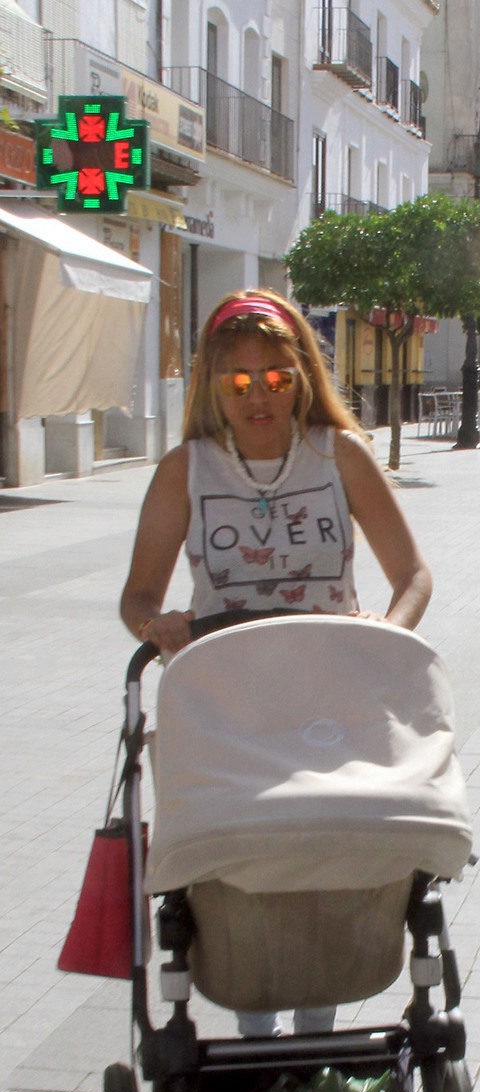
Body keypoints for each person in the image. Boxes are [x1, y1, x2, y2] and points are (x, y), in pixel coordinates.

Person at [120, 287, 432, 1037]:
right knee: (245, 863)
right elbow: (138, 594)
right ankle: (254, 1040)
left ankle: (315, 1039)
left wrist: (385, 634)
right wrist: (157, 625)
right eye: (238, 380)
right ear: (212, 386)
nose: (257, 395)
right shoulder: (185, 470)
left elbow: (413, 577)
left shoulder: (339, 456)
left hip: (331, 693)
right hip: (229, 702)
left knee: (324, 852)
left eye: (275, 377)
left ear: (301, 376)